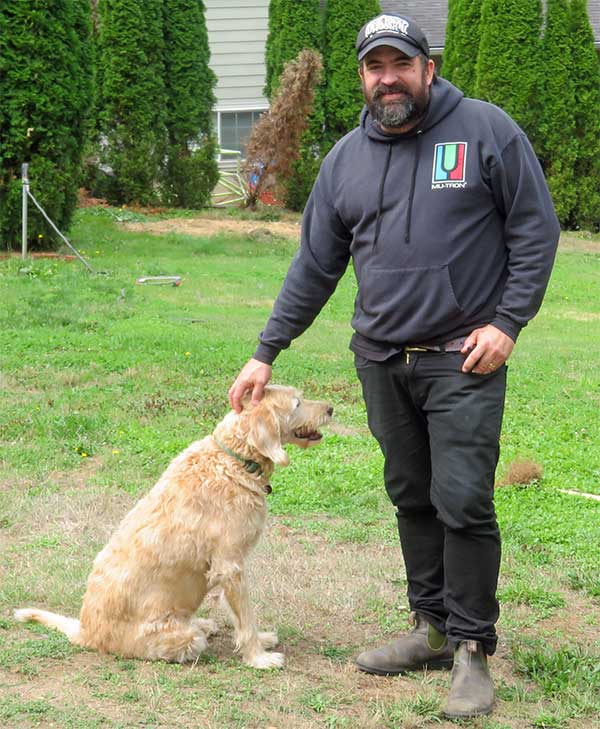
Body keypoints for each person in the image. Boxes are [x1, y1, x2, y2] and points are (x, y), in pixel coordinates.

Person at [229, 12, 559, 719]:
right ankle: (431, 627)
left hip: (462, 359)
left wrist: (507, 323)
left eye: (400, 64)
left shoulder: (485, 131)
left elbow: (536, 227)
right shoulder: (347, 158)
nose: (389, 78)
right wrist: (266, 351)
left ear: (427, 68)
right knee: (411, 493)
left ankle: (471, 648)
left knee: (463, 497)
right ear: (363, 77)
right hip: (382, 359)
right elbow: (315, 265)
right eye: (375, 67)